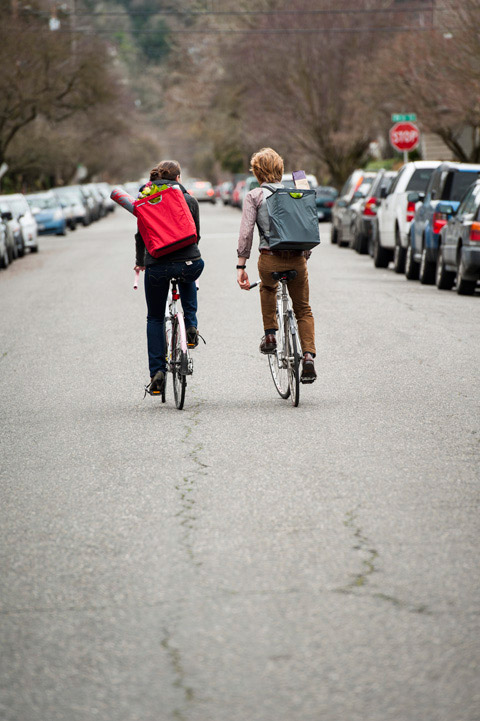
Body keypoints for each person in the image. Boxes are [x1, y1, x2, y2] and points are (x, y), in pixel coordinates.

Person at [236, 147, 317, 382]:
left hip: (269, 258)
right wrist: (304, 254)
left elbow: (246, 233)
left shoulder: (254, 196)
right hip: (296, 259)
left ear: (257, 172)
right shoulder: (297, 191)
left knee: (268, 287)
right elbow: (308, 225)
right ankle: (309, 357)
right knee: (303, 309)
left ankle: (270, 335)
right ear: (280, 170)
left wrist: (241, 265)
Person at [134, 160, 204, 394]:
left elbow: (141, 237)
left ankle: (157, 373)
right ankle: (191, 326)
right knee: (187, 277)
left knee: (154, 318)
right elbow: (196, 235)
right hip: (190, 264)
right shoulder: (190, 200)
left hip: (157, 267)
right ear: (177, 179)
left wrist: (139, 262)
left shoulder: (147, 203)